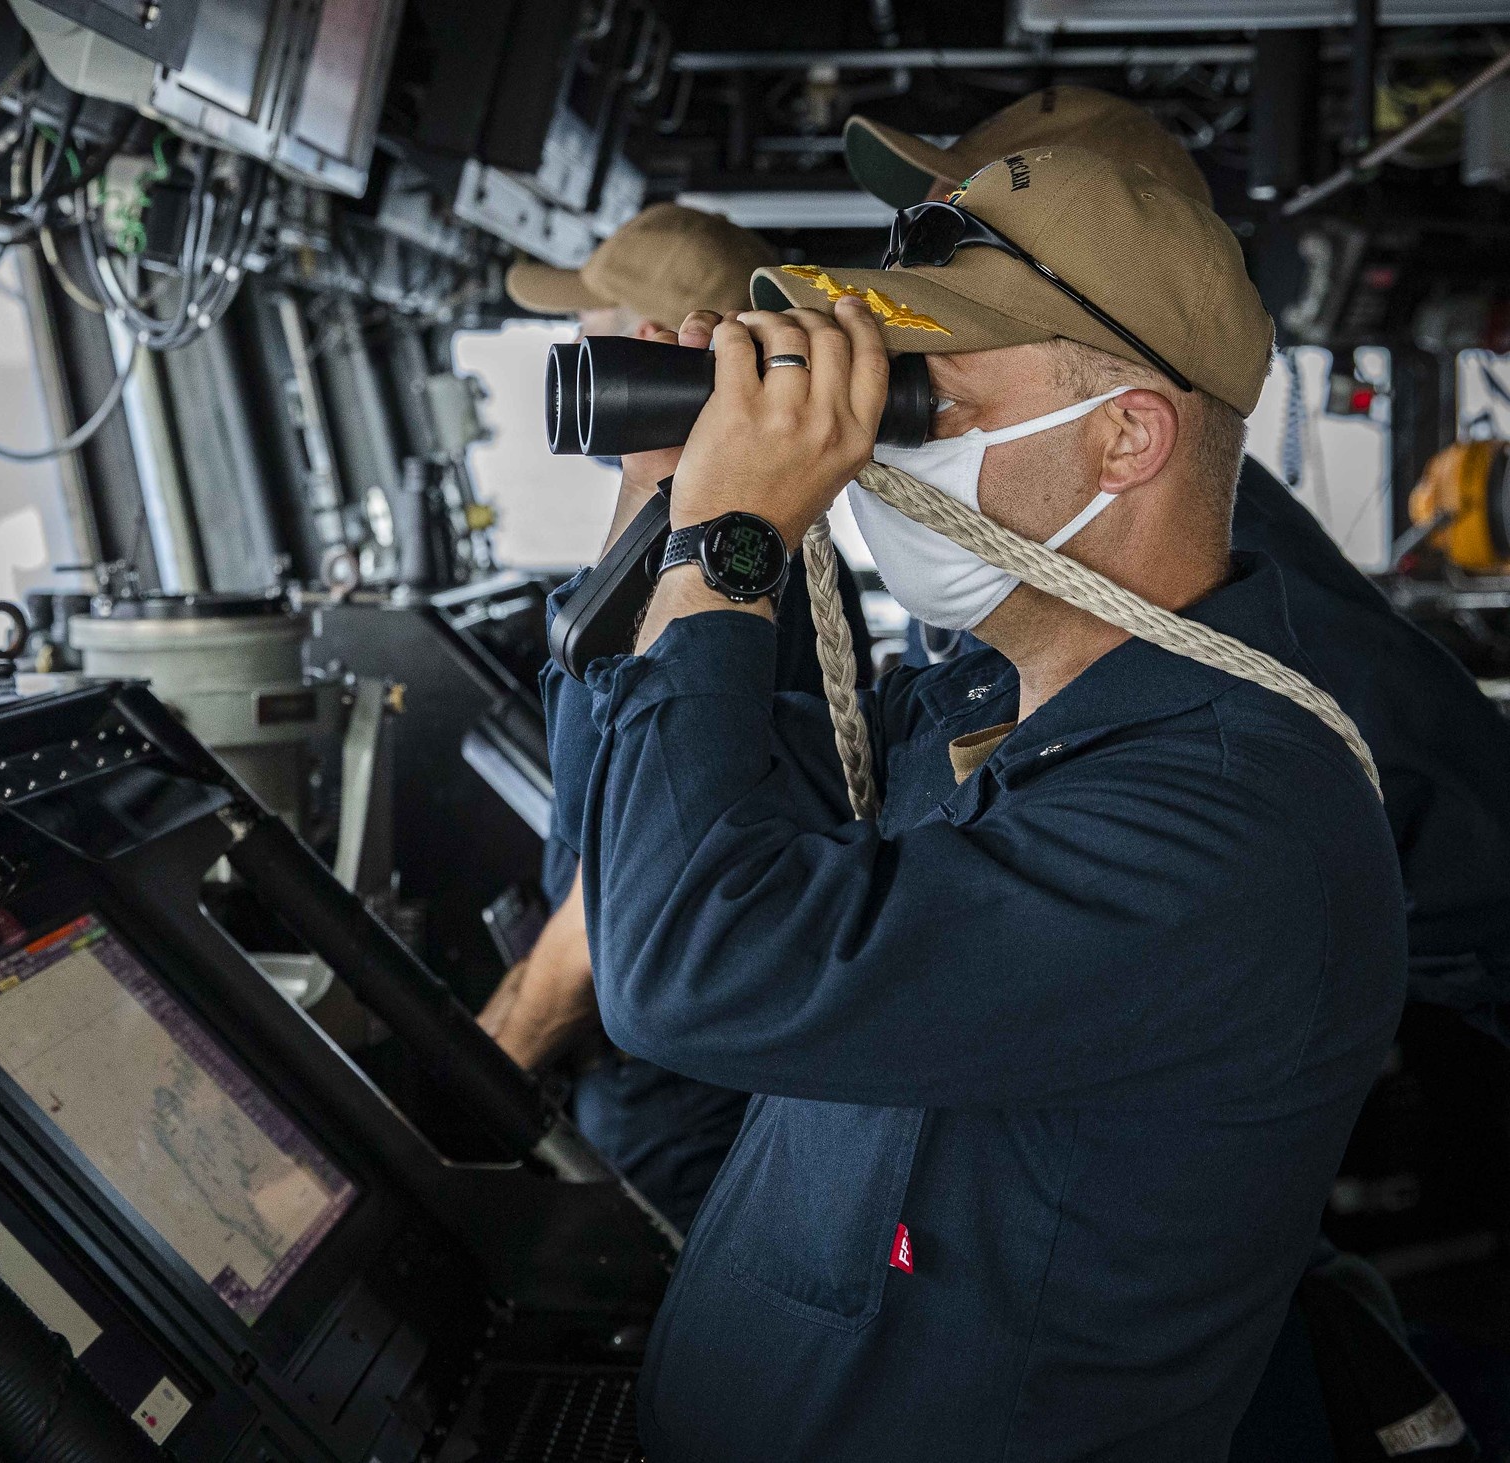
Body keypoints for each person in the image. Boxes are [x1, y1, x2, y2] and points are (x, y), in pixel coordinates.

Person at [546, 145, 1406, 1459]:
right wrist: (658, 507)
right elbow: (641, 829)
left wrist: (732, 544)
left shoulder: (1231, 826)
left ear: (1126, 436)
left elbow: (680, 969)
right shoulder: (973, 705)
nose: (881, 442)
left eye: (925, 401)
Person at [844, 92, 1510, 1052]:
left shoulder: (1209, 583)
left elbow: (1460, 848)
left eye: (978, 232)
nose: (927, 279)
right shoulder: (1029, 542)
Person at [489, 202, 872, 1233]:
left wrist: (476, 1072)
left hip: (671, 1078)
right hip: (641, 1047)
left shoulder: (733, 579)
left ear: (665, 344)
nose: (579, 345)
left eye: (597, 323)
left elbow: (609, 907)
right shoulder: (681, 540)